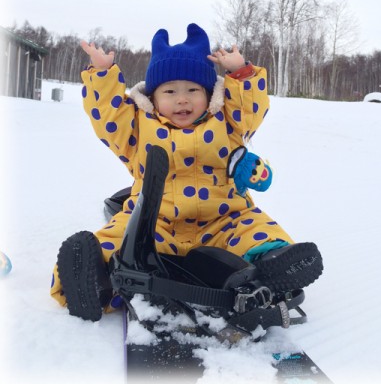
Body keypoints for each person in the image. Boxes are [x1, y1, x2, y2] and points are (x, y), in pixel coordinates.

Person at [51, 23, 323, 320]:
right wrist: (102, 74)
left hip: (224, 219)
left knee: (256, 231)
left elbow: (250, 108)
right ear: (153, 98)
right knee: (118, 241)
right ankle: (94, 281)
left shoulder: (228, 122)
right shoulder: (139, 128)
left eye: (193, 90)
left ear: (209, 94)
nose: (182, 99)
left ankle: (276, 264)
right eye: (170, 91)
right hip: (156, 223)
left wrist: (242, 73)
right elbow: (108, 115)